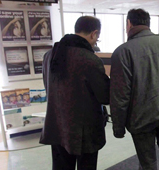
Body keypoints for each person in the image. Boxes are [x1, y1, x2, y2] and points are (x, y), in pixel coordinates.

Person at [110, 8, 159, 169]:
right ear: (148, 23)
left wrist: (118, 127)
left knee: (148, 163)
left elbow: (120, 95)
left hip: (141, 118)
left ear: (129, 24)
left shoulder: (122, 52)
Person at [39, 16, 110, 170]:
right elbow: (105, 96)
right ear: (94, 33)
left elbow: (48, 86)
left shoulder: (49, 55)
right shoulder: (89, 59)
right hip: (84, 132)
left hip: (57, 125)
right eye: (97, 37)